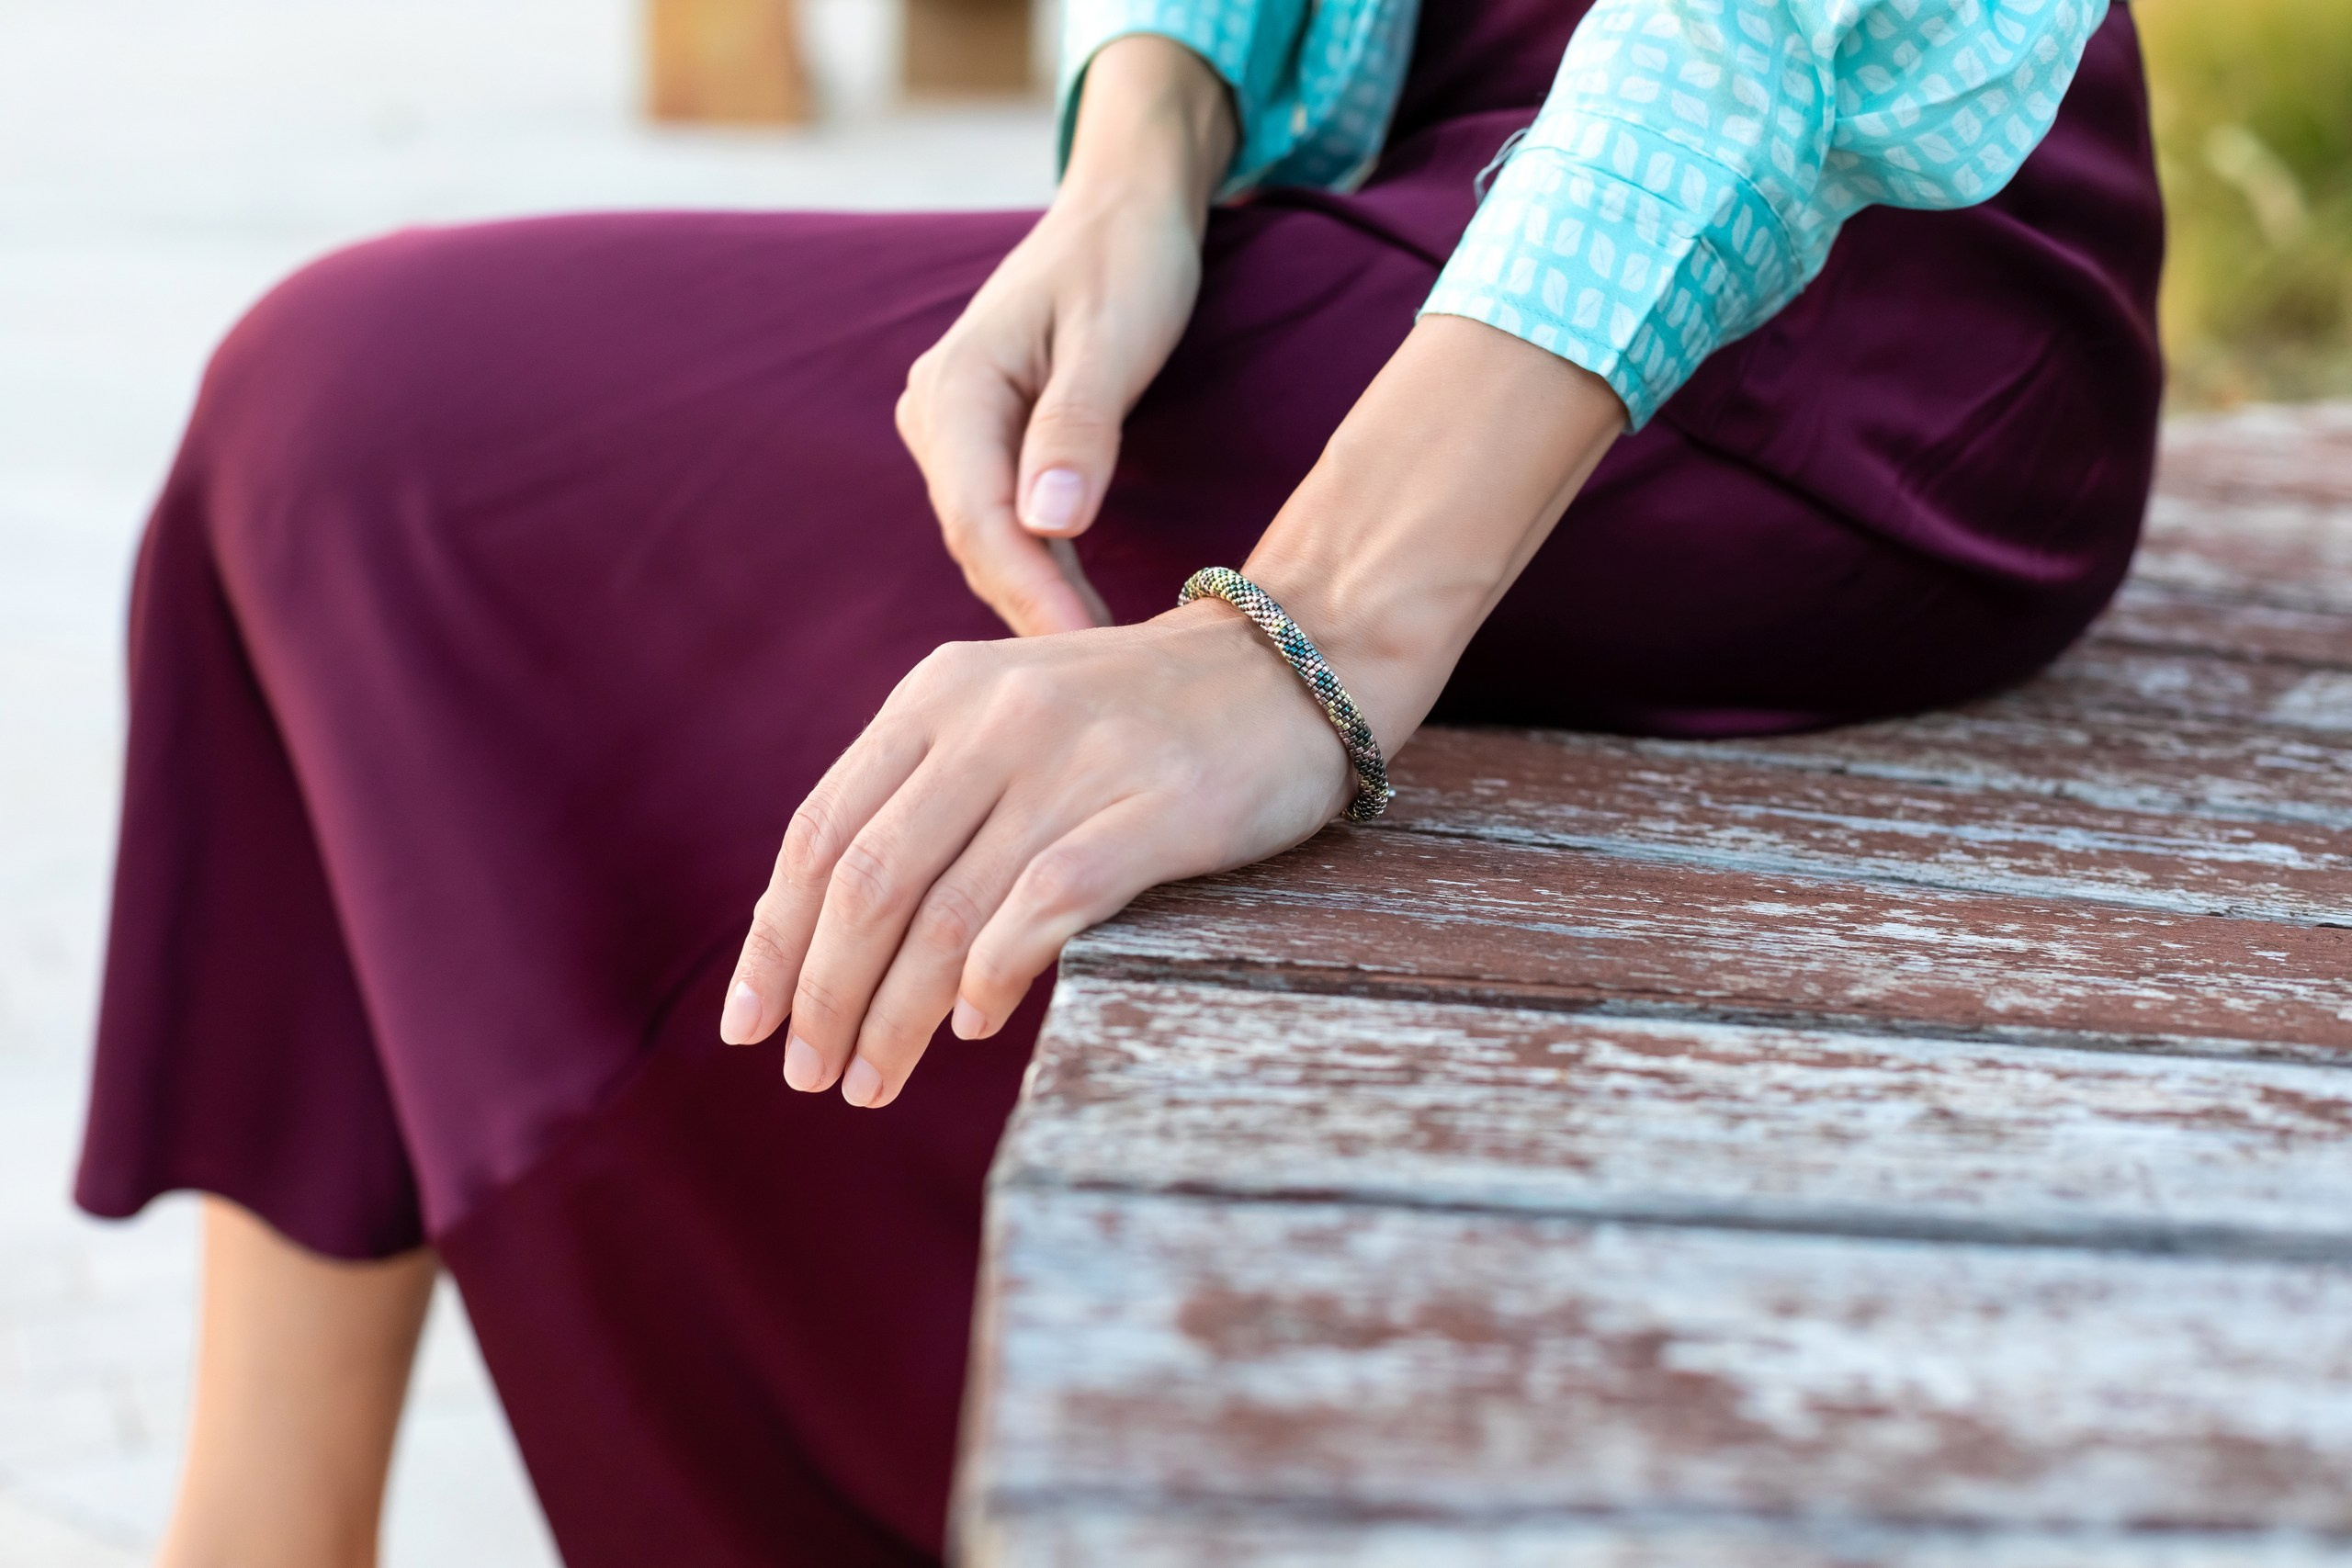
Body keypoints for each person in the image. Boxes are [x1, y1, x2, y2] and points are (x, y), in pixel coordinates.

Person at [78, 0, 2162, 1562]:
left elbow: (1744, 58)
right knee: (359, 449)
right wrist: (1136, 164)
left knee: (372, 431)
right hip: (1452, 214)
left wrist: (1309, 632)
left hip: (1798, 315)